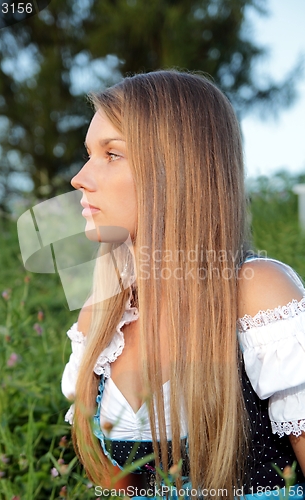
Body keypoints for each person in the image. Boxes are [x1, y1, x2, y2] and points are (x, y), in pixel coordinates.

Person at [61, 70, 305, 499]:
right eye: (88, 154)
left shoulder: (257, 292)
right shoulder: (100, 319)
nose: (80, 178)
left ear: (173, 168)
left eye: (111, 155)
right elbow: (118, 492)